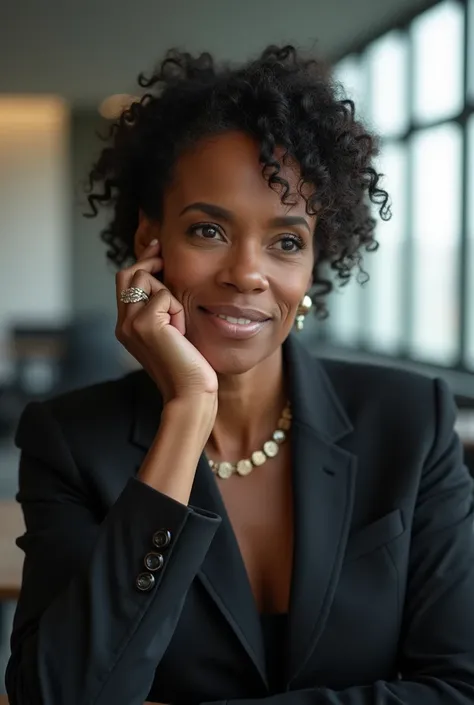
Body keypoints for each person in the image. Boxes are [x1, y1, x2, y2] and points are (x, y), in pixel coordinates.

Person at [5, 45, 474, 705]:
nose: (247, 273)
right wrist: (189, 410)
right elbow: (60, 695)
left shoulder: (409, 420)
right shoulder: (70, 441)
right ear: (151, 243)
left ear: (315, 265)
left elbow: (458, 687)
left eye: (286, 242)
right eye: (208, 230)